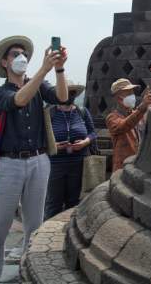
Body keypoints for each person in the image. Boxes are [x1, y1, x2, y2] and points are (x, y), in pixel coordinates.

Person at [0, 35, 68, 284]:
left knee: (35, 224)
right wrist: (44, 69)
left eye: (24, 54)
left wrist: (59, 68)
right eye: (15, 54)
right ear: (4, 63)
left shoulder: (39, 86)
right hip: (9, 163)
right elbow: (18, 100)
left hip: (39, 160)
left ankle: (26, 273)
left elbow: (62, 97)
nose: (21, 58)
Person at [44, 84, 97, 219]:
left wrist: (85, 142)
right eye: (66, 92)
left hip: (78, 163)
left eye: (72, 92)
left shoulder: (82, 112)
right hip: (55, 165)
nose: (69, 95)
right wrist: (54, 145)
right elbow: (40, 137)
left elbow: (92, 133)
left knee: (74, 201)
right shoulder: (49, 113)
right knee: (53, 203)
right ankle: (47, 232)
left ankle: (68, 230)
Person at [106, 78, 151, 171]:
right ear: (119, 98)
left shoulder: (136, 113)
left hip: (138, 164)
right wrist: (142, 107)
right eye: (129, 93)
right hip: (122, 167)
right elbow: (124, 125)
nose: (133, 96)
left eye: (133, 93)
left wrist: (150, 107)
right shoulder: (112, 118)